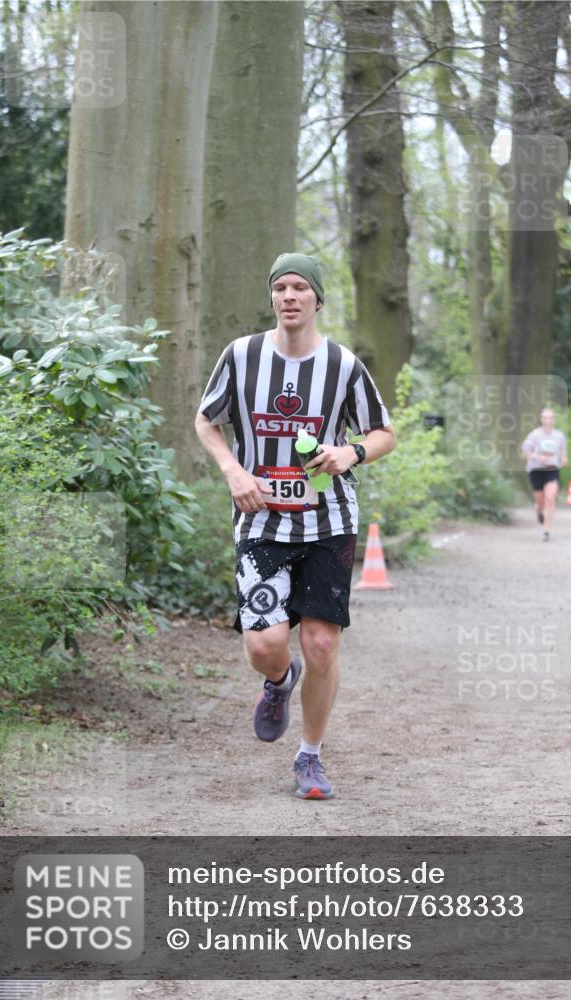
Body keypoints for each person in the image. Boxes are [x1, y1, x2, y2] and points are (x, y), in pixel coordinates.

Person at [195, 252, 396, 799]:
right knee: (264, 644)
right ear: (271, 297)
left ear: (317, 299)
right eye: (280, 287)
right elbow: (206, 421)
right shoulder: (241, 356)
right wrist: (234, 471)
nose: (289, 296)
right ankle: (281, 680)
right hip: (261, 522)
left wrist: (350, 452)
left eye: (300, 287)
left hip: (329, 522)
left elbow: (383, 433)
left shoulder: (343, 365)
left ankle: (310, 757)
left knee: (322, 644)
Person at [521, 408, 568, 542]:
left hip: (552, 469)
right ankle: (539, 511)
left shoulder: (559, 436)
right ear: (541, 420)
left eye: (550, 417)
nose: (548, 420)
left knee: (550, 497)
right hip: (536, 470)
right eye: (545, 417)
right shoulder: (534, 435)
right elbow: (525, 453)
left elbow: (563, 454)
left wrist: (564, 460)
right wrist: (536, 456)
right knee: (540, 502)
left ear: (554, 420)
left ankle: (546, 531)